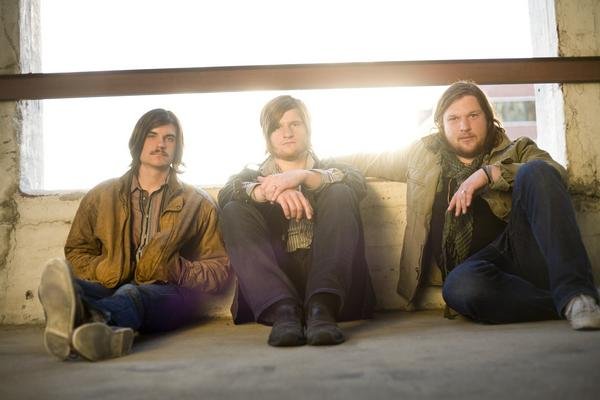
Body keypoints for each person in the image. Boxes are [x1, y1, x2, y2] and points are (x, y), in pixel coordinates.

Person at [339, 81, 600, 330]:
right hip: (474, 272)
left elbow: (555, 172)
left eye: (473, 115)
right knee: (461, 287)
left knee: (536, 170)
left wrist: (490, 174)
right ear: (441, 125)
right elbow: (367, 161)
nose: (464, 126)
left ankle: (577, 293)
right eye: (453, 118)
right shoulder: (421, 156)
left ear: (488, 118)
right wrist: (317, 167)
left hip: (518, 251)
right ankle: (569, 303)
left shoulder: (519, 148)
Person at [38, 108, 230, 361]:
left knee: (131, 293)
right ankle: (98, 332)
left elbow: (219, 270)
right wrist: (104, 269)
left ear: (177, 148)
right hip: (109, 287)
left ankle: (87, 321)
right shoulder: (101, 195)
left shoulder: (198, 203)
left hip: (168, 294)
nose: (160, 144)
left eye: (169, 138)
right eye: (152, 135)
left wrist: (177, 270)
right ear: (137, 141)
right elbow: (77, 251)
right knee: (70, 288)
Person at [218, 95, 374, 346]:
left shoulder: (333, 167)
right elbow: (227, 193)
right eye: (277, 127)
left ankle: (322, 308)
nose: (287, 133)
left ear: (308, 128)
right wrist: (272, 190)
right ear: (267, 136)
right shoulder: (250, 175)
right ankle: (284, 312)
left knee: (341, 191)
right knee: (233, 208)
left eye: (295, 124)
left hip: (333, 282)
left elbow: (356, 182)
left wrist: (301, 176)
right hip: (276, 282)